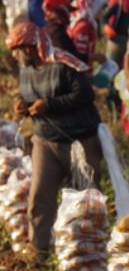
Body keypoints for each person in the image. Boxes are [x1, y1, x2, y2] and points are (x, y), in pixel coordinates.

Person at [7, 21, 101, 257]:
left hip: (78, 141)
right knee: (40, 196)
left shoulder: (62, 65)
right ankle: (38, 249)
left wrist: (49, 105)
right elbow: (31, 95)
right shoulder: (26, 69)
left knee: (84, 199)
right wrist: (24, 105)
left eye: (17, 51)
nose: (15, 56)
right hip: (45, 141)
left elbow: (85, 94)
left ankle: (85, 256)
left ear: (29, 47)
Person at [68, 0, 100, 66]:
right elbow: (80, 57)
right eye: (99, 7)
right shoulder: (84, 27)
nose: (101, 11)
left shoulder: (76, 19)